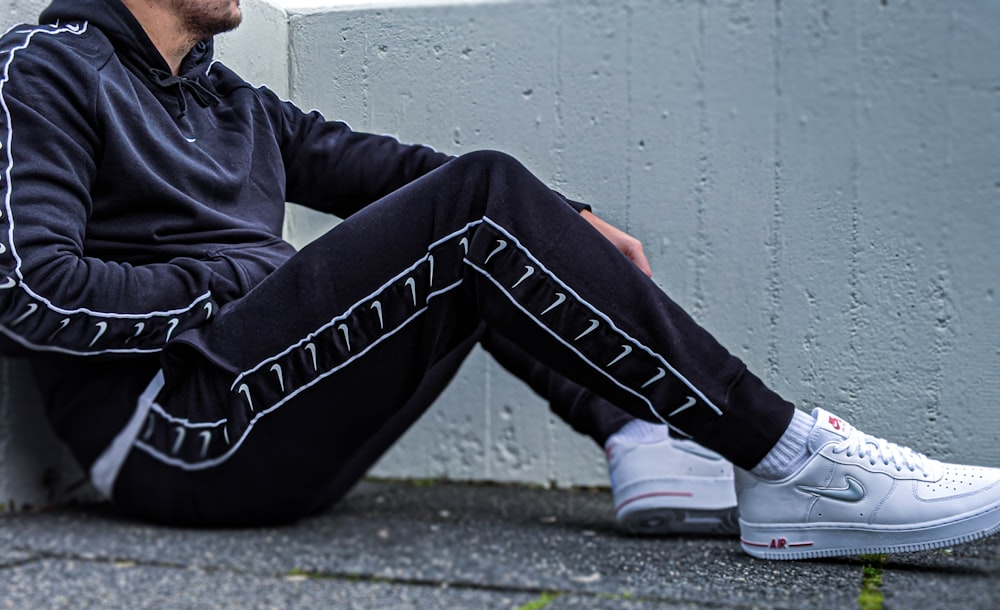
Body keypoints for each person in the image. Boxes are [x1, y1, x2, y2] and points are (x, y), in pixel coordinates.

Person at [1, 0, 997, 560]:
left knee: (482, 211)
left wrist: (561, 218)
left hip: (262, 429)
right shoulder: (42, 69)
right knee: (478, 203)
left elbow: (387, 172)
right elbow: (25, 292)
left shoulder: (233, 101)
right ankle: (794, 464)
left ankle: (638, 433)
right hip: (173, 442)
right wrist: (234, 281)